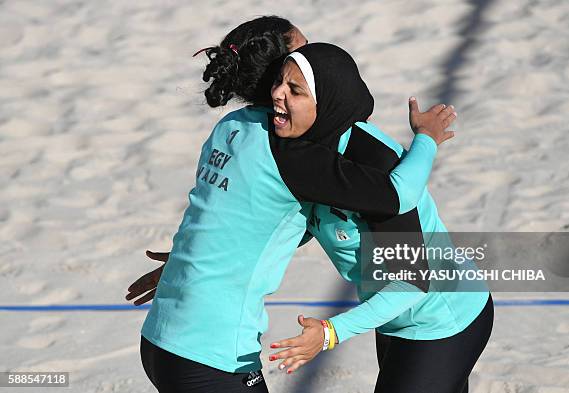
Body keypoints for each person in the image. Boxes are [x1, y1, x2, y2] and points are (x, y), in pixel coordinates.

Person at [128, 17, 455, 393]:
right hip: (212, 355)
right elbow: (398, 195)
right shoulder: (293, 155)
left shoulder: (229, 128)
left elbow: (229, 219)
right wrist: (427, 139)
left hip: (159, 337)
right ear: (279, 74)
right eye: (302, 54)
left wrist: (182, 264)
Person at [265, 47, 493, 393]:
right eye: (278, 82)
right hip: (390, 316)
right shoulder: (303, 149)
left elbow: (412, 283)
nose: (277, 94)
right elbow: (298, 223)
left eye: (295, 90)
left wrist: (330, 333)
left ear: (325, 103)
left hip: (442, 317)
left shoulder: (371, 163)